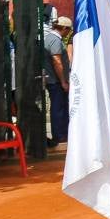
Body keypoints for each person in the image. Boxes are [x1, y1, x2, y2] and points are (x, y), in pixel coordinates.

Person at [43, 17, 69, 150]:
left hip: (53, 80)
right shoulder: (55, 40)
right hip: (56, 81)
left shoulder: (49, 38)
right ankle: (60, 136)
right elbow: (57, 61)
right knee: (58, 108)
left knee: (58, 108)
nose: (68, 33)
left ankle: (60, 135)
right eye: (68, 30)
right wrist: (63, 81)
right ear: (64, 28)